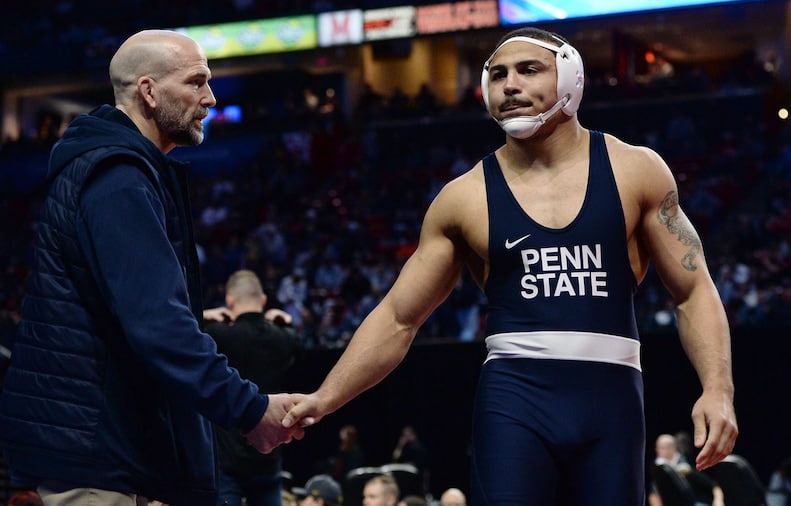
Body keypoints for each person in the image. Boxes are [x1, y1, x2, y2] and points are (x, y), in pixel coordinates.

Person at [280, 25, 738, 505]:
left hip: (611, 398)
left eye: (528, 69)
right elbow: (399, 316)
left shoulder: (635, 170)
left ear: (571, 79)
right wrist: (325, 397)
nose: (510, 85)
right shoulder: (463, 198)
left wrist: (718, 389)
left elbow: (693, 289)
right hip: (515, 398)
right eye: (497, 75)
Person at [0, 29, 303, 506]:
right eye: (197, 82)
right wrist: (251, 411)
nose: (211, 97)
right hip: (94, 459)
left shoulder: (113, 169)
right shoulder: (118, 178)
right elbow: (158, 325)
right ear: (148, 91)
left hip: (102, 453)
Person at [202, 270, 303, 506]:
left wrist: (204, 314)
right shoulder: (283, 338)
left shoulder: (217, 336)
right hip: (268, 455)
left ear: (229, 301)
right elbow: (300, 348)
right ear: (264, 300)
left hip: (226, 458)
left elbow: (185, 336)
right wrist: (283, 322)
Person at [648, 434, 724, 506]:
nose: (658, 451)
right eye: (657, 448)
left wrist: (718, 500)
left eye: (661, 447)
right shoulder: (659, 468)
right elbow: (654, 494)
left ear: (672, 448)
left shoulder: (685, 466)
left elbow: (712, 485)